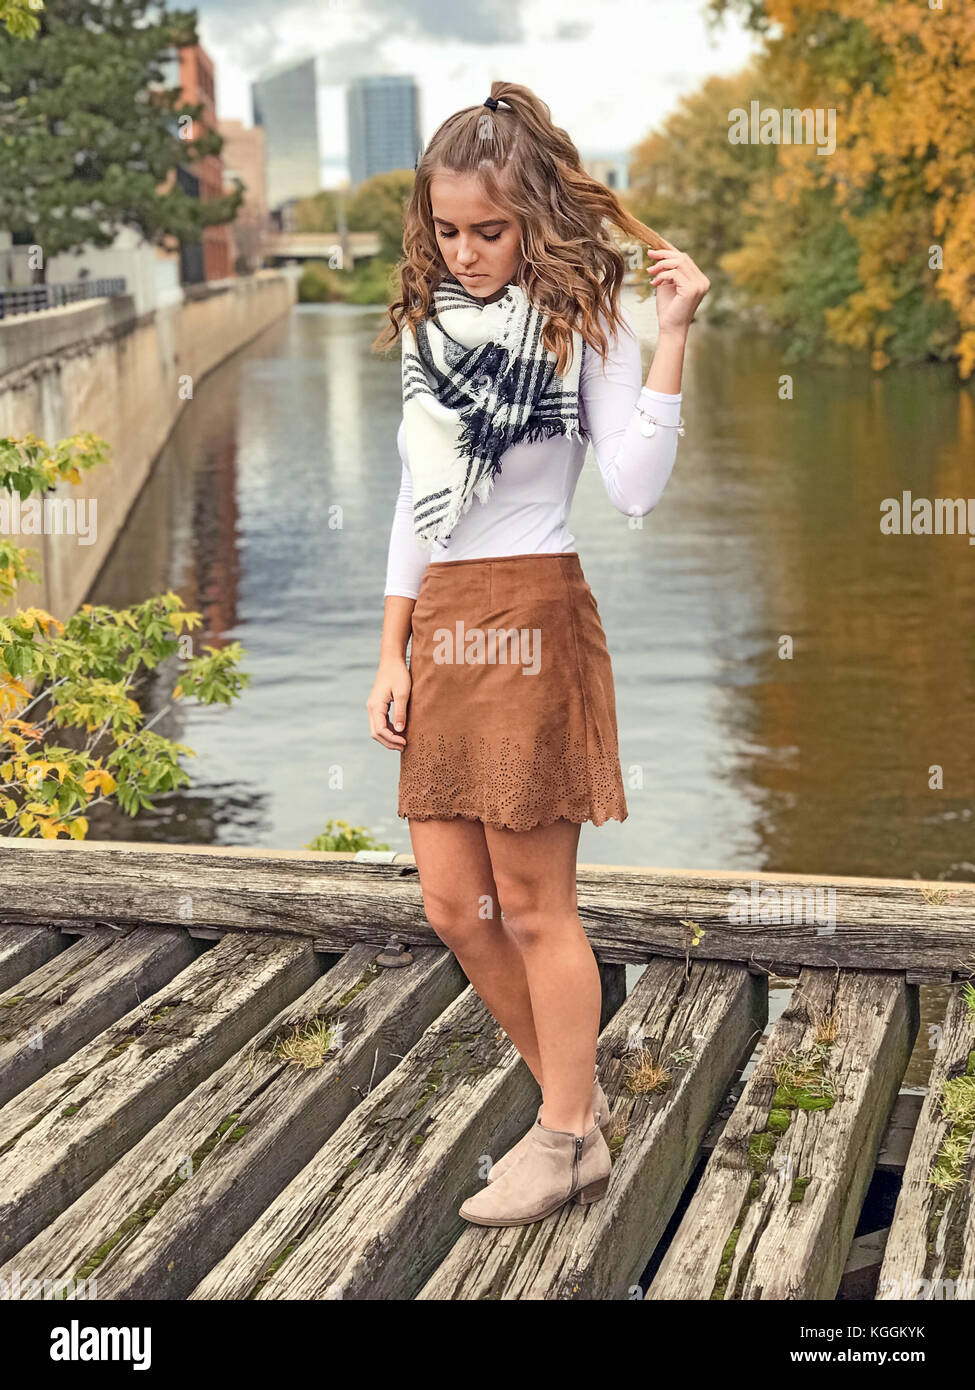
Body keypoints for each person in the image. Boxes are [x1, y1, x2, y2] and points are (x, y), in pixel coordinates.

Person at [367, 81, 709, 1228]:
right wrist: (390, 647)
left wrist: (669, 340)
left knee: (531, 903)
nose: (465, 252)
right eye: (448, 229)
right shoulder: (425, 332)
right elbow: (414, 497)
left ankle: (563, 1136)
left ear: (535, 218)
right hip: (442, 624)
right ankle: (581, 1102)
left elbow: (635, 489)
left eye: (490, 230)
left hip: (532, 610)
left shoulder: (585, 320)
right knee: (453, 905)